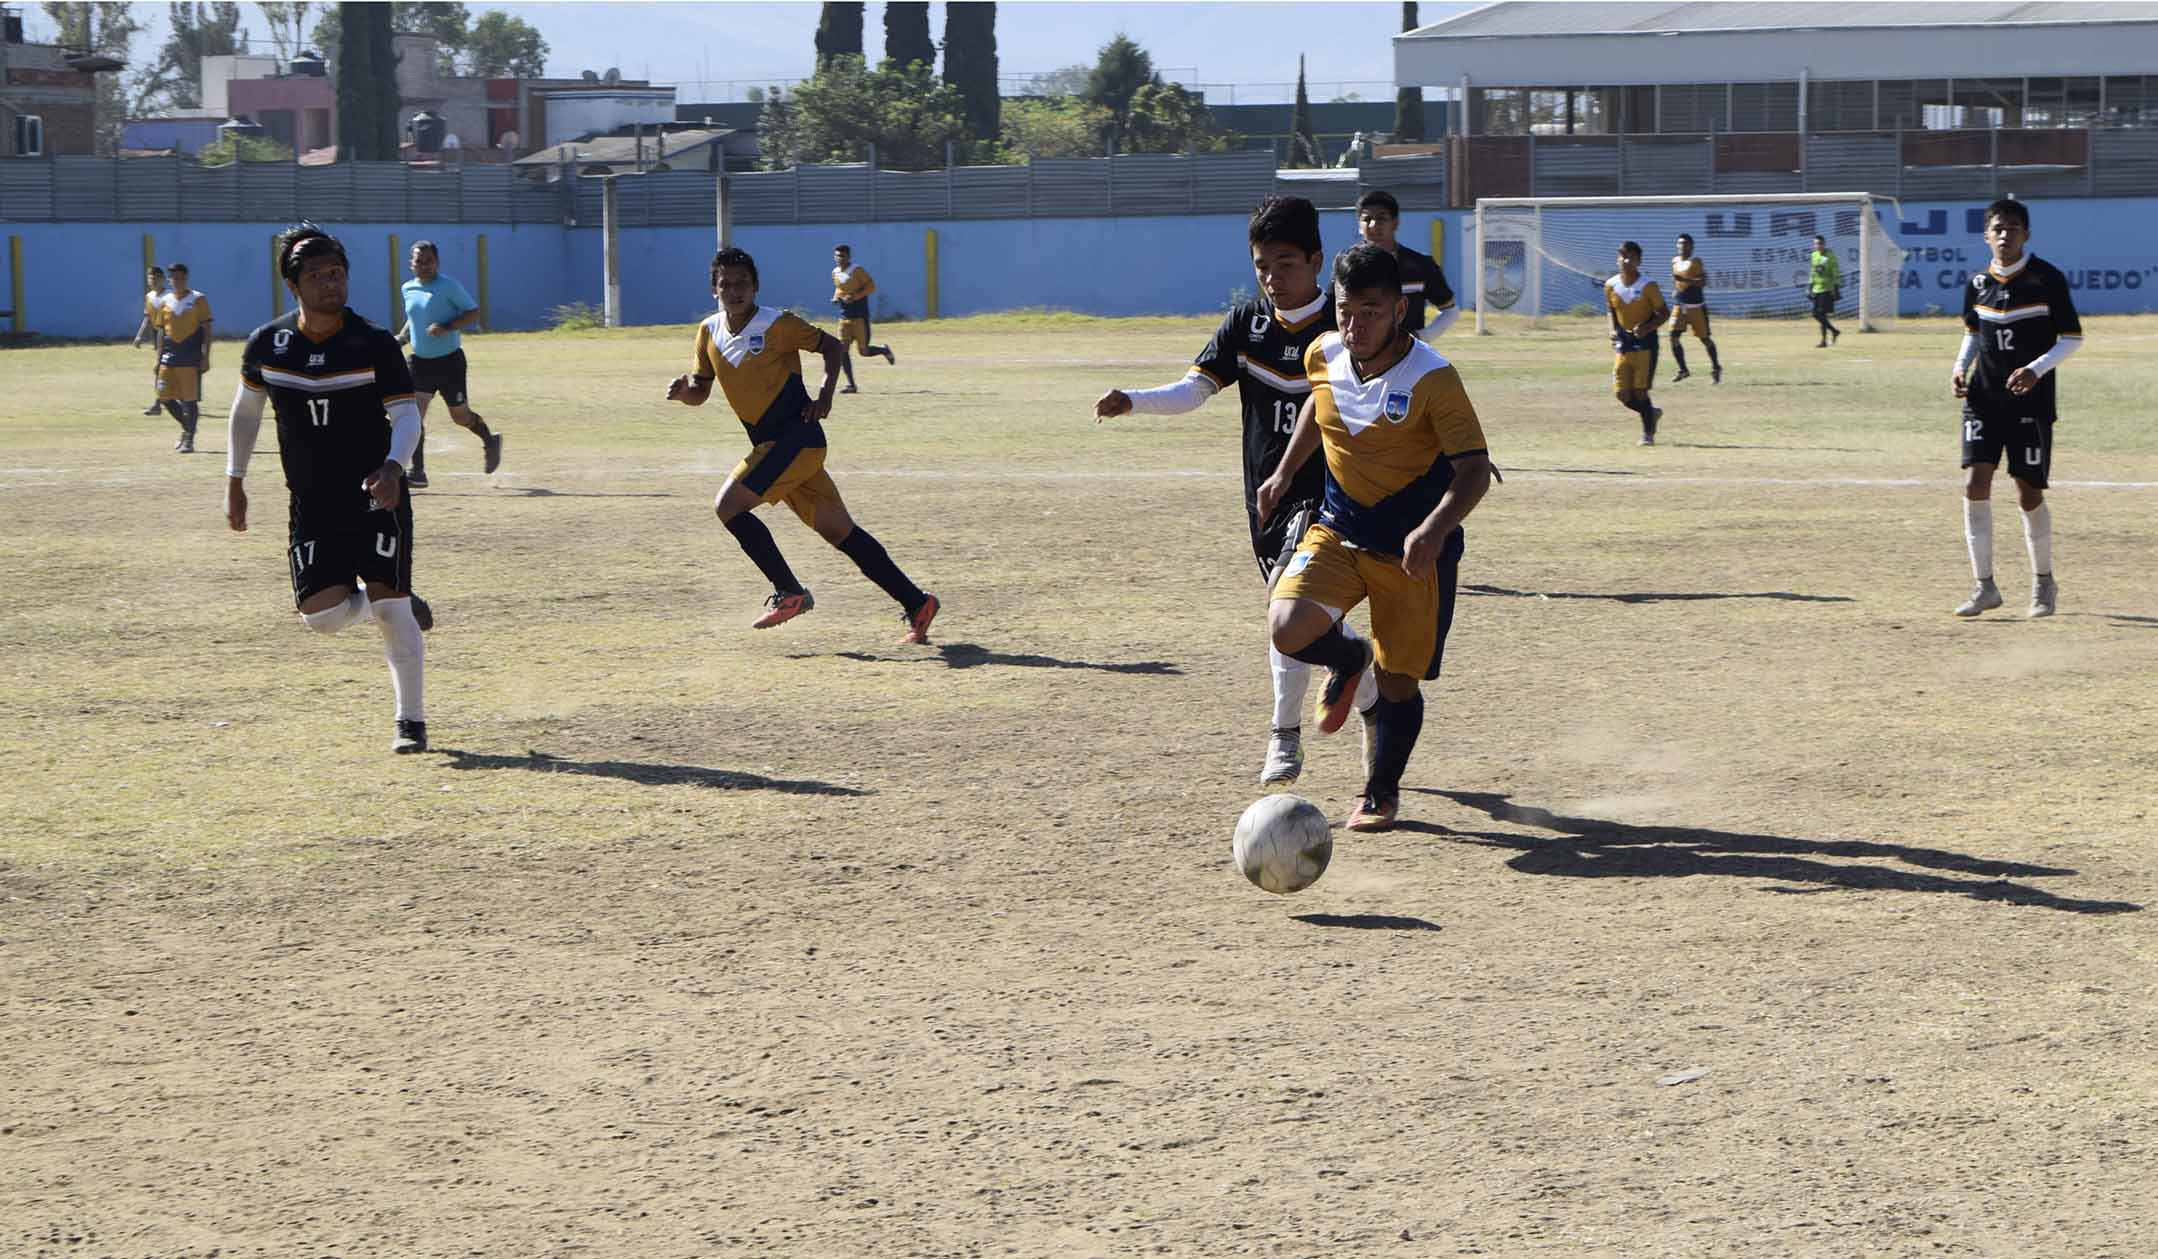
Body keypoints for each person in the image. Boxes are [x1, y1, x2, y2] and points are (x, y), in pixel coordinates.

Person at [1094, 195, 1378, 788]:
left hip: (1334, 495)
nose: (1274, 278)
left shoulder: (1344, 327)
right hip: (1266, 500)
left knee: (1286, 604)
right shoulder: (1246, 324)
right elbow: (1194, 390)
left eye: (1287, 264)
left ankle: (1284, 737)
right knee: (1303, 620)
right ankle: (1370, 692)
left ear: (1317, 261)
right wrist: (1135, 401)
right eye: (1263, 266)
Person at [1256, 243, 1494, 832]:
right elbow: (1322, 401)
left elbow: (1474, 468)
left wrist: (1434, 529)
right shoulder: (1324, 352)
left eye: (1369, 310)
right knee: (1287, 627)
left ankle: (1380, 793)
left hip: (1412, 552)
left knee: (1397, 682)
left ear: (1397, 312)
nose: (1354, 324)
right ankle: (1348, 655)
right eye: (1344, 309)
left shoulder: (1433, 377)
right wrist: (1285, 472)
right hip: (1339, 530)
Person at [223, 224, 435, 754]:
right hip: (311, 501)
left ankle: (410, 721)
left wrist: (393, 466)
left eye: (336, 273)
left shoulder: (374, 342)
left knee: (393, 611)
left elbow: (407, 416)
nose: (329, 284)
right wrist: (235, 480)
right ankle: (381, 601)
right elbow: (247, 412)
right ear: (293, 285)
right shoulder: (268, 344)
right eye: (316, 275)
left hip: (375, 494)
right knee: (321, 618)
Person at [669, 247, 939, 641]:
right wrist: (682, 394)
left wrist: (826, 394)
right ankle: (917, 602)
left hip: (795, 440)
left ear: (755, 286)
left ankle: (790, 592)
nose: (734, 290)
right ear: (714, 290)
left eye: (742, 283)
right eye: (725, 284)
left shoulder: (778, 324)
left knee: (728, 506)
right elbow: (700, 391)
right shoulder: (708, 331)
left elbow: (831, 346)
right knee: (841, 532)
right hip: (778, 448)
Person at [1952, 198, 2082, 619]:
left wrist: (2035, 369)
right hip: (1983, 399)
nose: (2005, 235)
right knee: (1975, 483)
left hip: (2030, 402)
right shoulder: (1976, 284)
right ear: (1986, 235)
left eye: (2013, 228)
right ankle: (1984, 586)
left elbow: (2071, 338)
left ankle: (2044, 583)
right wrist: (1959, 367)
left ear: (2026, 234)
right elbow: (1973, 332)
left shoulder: (2046, 280)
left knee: (2028, 491)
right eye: (1998, 228)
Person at [395, 240, 502, 487]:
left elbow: (473, 312)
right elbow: (414, 317)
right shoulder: (408, 288)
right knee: (412, 417)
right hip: (419, 362)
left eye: (429, 261)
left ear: (437, 262)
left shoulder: (448, 286)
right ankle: (417, 472)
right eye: (419, 262)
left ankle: (490, 440)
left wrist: (447, 327)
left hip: (449, 363)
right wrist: (402, 337)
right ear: (411, 264)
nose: (424, 266)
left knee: (460, 417)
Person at [1355, 189, 1459, 341]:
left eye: (1381, 218)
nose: (1373, 225)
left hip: (1409, 358)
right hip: (1361, 357)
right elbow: (1332, 313)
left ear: (1395, 223)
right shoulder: (1347, 266)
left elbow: (1451, 311)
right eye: (1367, 219)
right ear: (1359, 226)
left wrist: (1421, 337)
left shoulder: (1421, 265)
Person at [1606, 241, 1668, 445]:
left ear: (1639, 261)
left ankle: (1647, 434)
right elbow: (1611, 310)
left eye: (1630, 257)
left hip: (1646, 345)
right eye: (1622, 256)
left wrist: (1646, 328)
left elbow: (1663, 313)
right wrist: (1612, 330)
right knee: (1622, 394)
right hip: (1623, 344)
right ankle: (1652, 413)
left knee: (1640, 391)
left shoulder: (1648, 285)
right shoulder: (1611, 285)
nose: (1625, 260)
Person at [155, 263, 213, 454]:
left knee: (189, 400)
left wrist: (205, 356)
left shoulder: (198, 299)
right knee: (164, 397)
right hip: (168, 357)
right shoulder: (166, 301)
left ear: (186, 278)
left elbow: (207, 329)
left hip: (190, 357)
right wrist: (158, 358)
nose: (176, 281)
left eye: (180, 278)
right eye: (173, 278)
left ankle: (189, 439)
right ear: (169, 280)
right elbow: (161, 332)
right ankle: (188, 427)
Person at [829, 244, 895, 393]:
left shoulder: (857, 270)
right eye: (837, 256)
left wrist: (855, 297)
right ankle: (851, 385)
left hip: (860, 318)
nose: (839, 259)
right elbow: (839, 288)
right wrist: (835, 298)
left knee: (863, 351)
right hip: (844, 317)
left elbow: (871, 287)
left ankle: (884, 350)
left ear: (849, 257)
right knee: (841, 351)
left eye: (843, 256)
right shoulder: (835, 272)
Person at [1668, 233, 1722, 384]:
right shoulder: (1675, 261)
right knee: (1673, 336)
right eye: (1679, 243)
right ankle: (1683, 370)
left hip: (1696, 306)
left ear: (1691, 246)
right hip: (1680, 305)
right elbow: (1678, 282)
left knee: (1704, 339)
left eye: (1685, 244)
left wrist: (1684, 280)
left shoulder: (1696, 262)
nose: (1682, 246)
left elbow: (1702, 282)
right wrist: (1677, 289)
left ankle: (1716, 368)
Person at [132, 265, 168, 416]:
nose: (153, 281)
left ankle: (158, 404)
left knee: (161, 369)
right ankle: (161, 403)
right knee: (162, 369)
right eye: (150, 278)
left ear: (162, 279)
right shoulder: (149, 297)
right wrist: (139, 336)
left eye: (156, 278)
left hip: (169, 334)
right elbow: (147, 318)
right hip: (157, 334)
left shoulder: (169, 296)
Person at [1807, 234, 1842, 347]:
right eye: (1816, 244)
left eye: (1820, 243)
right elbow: (1813, 272)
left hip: (1827, 289)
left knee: (1819, 314)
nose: (1819, 246)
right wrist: (1809, 287)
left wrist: (1836, 287)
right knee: (1819, 315)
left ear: (1824, 244)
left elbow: (1836, 272)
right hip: (1817, 289)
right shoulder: (1814, 255)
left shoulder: (1830, 256)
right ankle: (1833, 332)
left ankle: (1824, 340)